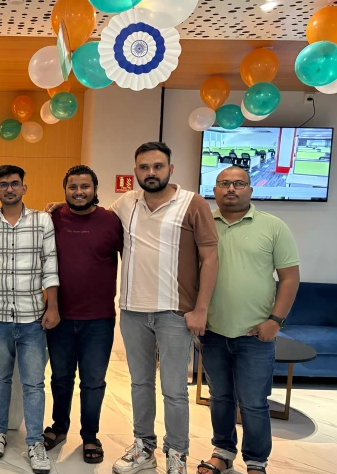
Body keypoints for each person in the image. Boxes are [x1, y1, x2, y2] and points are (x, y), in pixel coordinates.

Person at [108, 142, 219, 474]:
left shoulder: (192, 203)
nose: (151, 172)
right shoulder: (126, 203)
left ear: (170, 169)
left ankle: (177, 453)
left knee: (174, 389)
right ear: (135, 171)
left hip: (175, 313)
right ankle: (144, 447)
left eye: (157, 166)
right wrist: (58, 208)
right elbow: (94, 217)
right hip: (133, 310)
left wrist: (201, 309)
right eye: (144, 167)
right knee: (140, 384)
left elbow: (210, 258)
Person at [196, 167, 300, 474]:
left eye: (239, 183)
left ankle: (256, 462)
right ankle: (223, 452)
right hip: (212, 331)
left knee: (254, 403)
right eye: (224, 183)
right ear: (214, 190)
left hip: (255, 335)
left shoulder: (273, 226)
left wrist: (276, 321)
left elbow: (290, 278)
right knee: (219, 398)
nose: (231, 188)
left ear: (250, 190)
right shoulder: (203, 225)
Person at [0, 165, 59, 474]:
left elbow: (50, 266)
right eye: (3, 184)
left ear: (24, 188)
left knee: (34, 383)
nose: (9, 188)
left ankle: (35, 442)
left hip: (32, 317)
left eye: (14, 183)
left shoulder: (42, 221)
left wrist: (52, 307)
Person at [42, 165, 123, 464]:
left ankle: (90, 435)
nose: (79, 192)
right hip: (59, 316)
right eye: (73, 187)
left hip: (99, 319)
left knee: (93, 381)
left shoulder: (111, 221)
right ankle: (59, 427)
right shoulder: (51, 219)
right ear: (65, 189)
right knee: (60, 378)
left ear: (95, 189)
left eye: (85, 186)